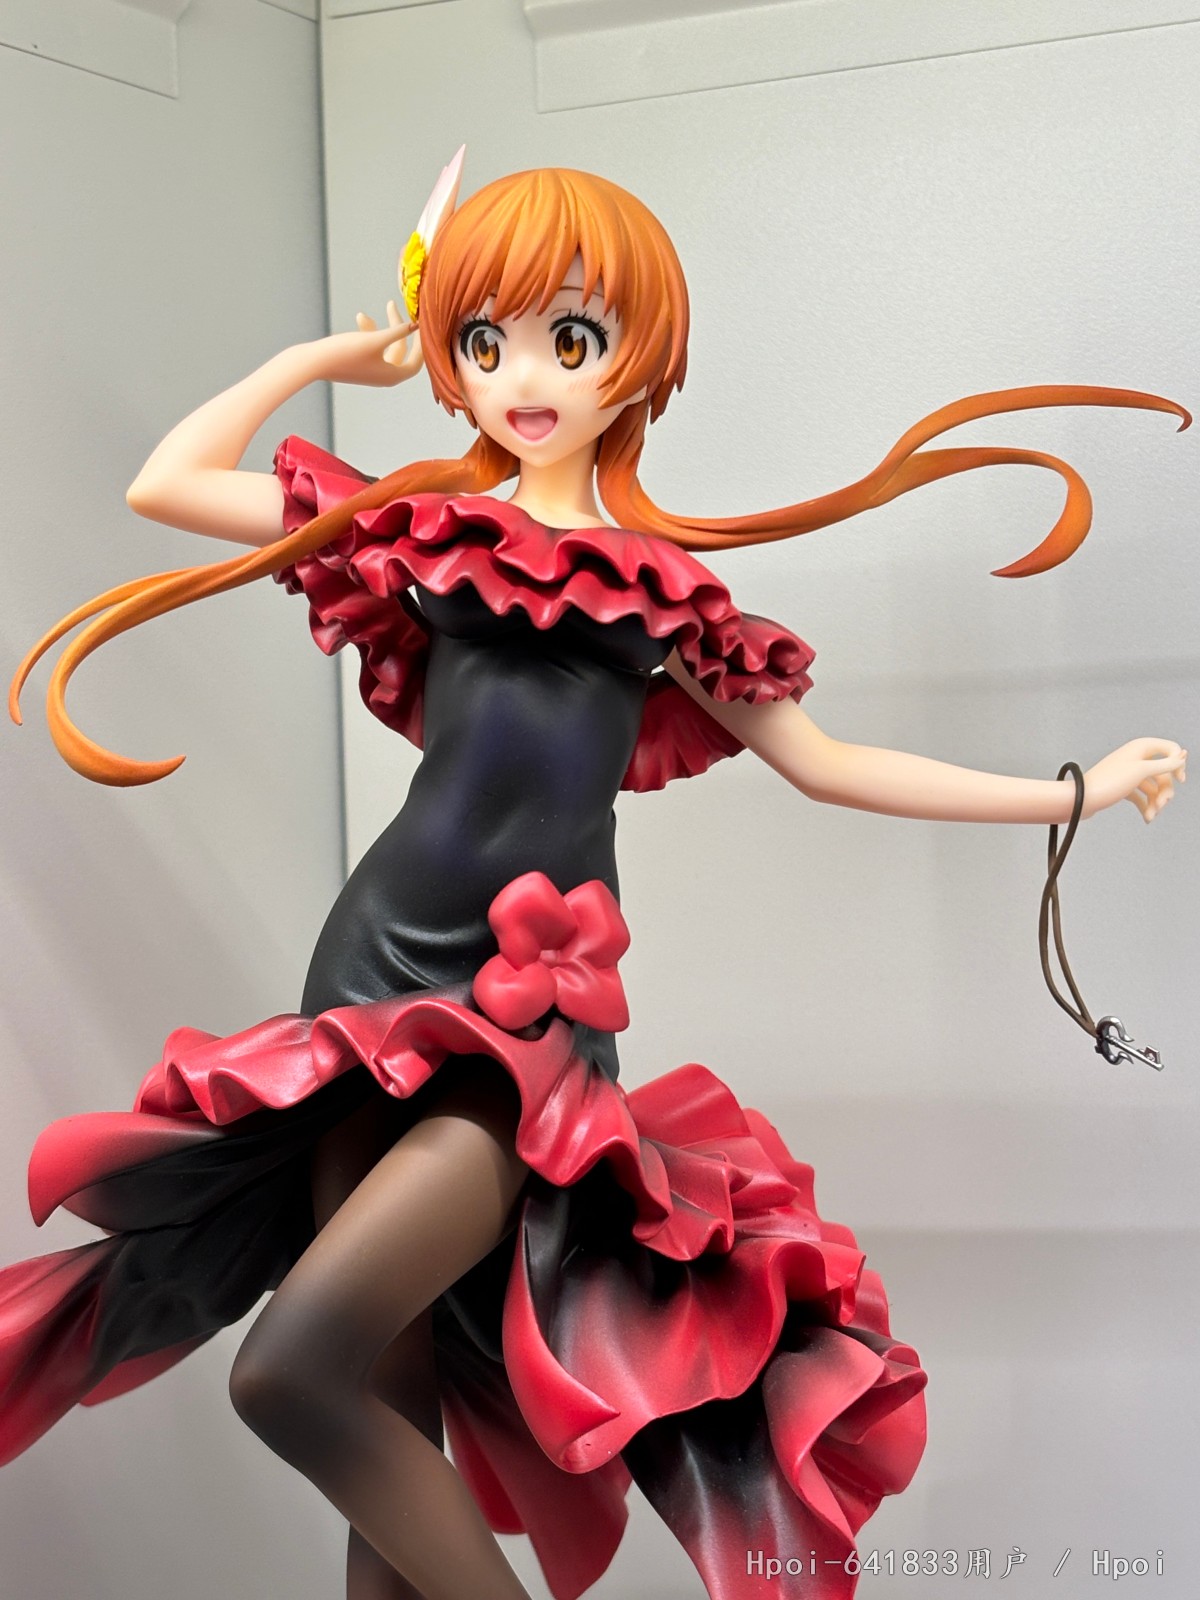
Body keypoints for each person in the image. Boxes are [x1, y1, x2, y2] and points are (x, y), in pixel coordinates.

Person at [0, 159, 1187, 1600]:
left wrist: (1071, 792)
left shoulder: (661, 592)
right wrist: (326, 359)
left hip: (529, 1024)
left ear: (640, 354)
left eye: (570, 338)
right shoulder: (421, 531)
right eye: (485, 340)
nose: (525, 378)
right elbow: (170, 484)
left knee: (289, 1374)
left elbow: (829, 763)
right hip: (364, 991)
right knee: (383, 1420)